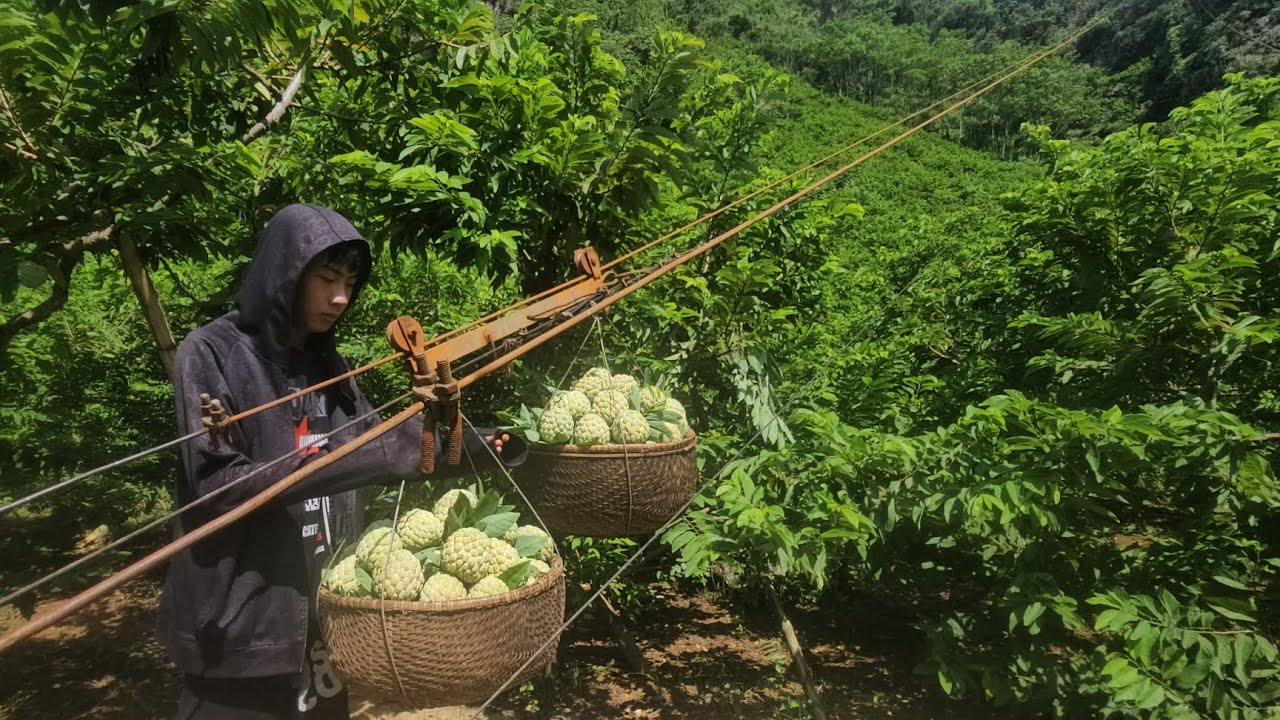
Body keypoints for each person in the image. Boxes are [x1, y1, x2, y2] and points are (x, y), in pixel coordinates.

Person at [157, 204, 525, 719]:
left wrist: (477, 444)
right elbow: (221, 484)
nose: (340, 298)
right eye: (327, 278)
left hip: (324, 617)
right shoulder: (213, 353)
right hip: (241, 628)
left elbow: (377, 442)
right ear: (284, 273)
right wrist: (381, 452)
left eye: (350, 283)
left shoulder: (327, 365)